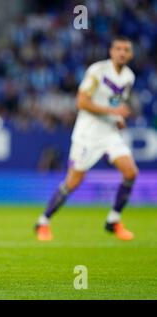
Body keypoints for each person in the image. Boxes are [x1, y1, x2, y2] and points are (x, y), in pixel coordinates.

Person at [35, 36, 138, 241]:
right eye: (118, 48)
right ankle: (43, 222)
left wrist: (117, 118)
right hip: (87, 134)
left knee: (130, 172)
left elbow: (115, 101)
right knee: (73, 182)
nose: (122, 53)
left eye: (126, 49)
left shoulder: (129, 77)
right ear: (111, 51)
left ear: (131, 54)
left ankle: (113, 220)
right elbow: (81, 102)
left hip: (109, 133)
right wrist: (113, 111)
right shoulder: (97, 71)